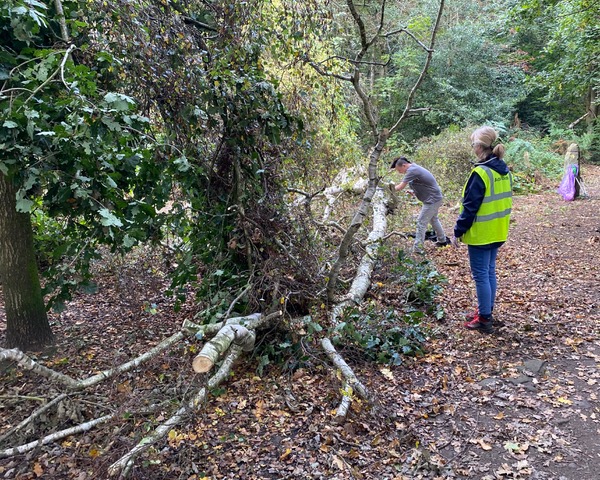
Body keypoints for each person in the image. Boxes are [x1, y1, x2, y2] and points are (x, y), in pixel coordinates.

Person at [451, 126, 513, 334]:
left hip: (481, 233)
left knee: (481, 275)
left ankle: (485, 318)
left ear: (479, 147)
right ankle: (486, 310)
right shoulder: (503, 170)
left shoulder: (481, 173)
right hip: (498, 230)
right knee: (489, 272)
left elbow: (470, 207)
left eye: (473, 144)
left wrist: (458, 230)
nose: (472, 148)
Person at [391, 156, 448, 254]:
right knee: (433, 219)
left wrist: (387, 189)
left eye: (399, 170)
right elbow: (424, 184)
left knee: (421, 222)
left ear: (404, 165)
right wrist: (414, 191)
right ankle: (442, 241)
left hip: (432, 200)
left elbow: (400, 187)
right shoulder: (414, 169)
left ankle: (418, 249)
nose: (399, 172)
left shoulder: (412, 170)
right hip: (434, 198)